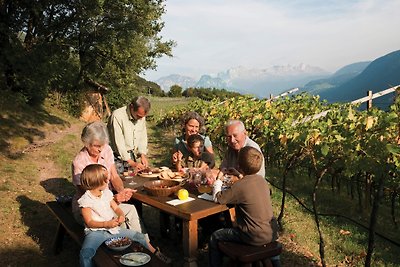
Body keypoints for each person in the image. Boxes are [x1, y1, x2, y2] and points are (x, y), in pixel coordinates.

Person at [71, 122, 171, 264]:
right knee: (116, 228)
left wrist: (121, 192)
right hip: (92, 212)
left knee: (130, 209)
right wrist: (114, 200)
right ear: (86, 143)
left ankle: (146, 246)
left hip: (106, 205)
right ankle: (127, 253)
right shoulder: (79, 163)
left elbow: (114, 177)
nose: (100, 150)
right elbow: (89, 195)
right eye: (96, 146)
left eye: (102, 145)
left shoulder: (106, 150)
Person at [78, 164, 169, 267]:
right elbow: (89, 222)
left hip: (112, 229)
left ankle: (155, 253)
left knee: (139, 236)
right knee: (85, 254)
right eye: (105, 179)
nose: (108, 181)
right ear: (96, 181)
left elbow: (116, 208)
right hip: (95, 233)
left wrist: (121, 215)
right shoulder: (86, 200)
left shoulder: (106, 193)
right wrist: (106, 223)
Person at [209, 147, 279, 267]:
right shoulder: (262, 181)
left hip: (251, 236)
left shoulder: (240, 186)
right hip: (271, 232)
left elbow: (218, 198)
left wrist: (218, 180)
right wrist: (239, 175)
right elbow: (250, 187)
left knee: (215, 236)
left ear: (238, 164)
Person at [108, 96, 151, 174]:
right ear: (131, 107)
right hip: (116, 157)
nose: (141, 119)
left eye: (142, 117)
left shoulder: (141, 117)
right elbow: (119, 143)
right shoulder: (117, 116)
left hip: (130, 156)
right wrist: (132, 163)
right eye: (138, 116)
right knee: (119, 182)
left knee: (133, 181)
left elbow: (142, 136)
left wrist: (142, 154)